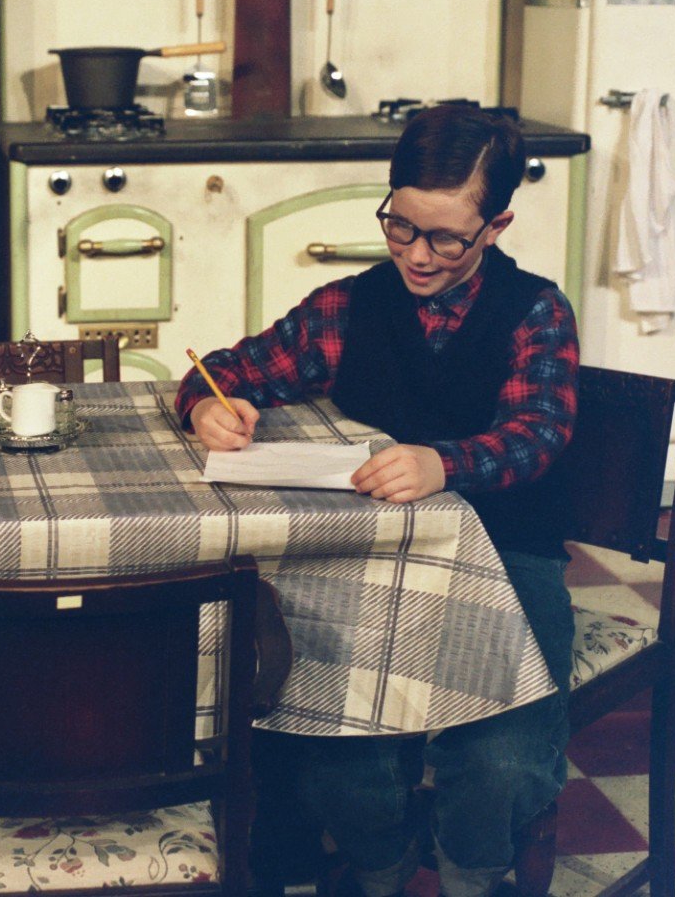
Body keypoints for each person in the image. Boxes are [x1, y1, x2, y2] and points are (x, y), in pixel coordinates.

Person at [177, 105, 578, 897]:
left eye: (445, 239)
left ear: (495, 226)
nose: (416, 255)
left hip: (506, 553)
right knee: (333, 753)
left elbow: (541, 432)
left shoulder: (535, 310)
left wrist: (443, 463)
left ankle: (471, 876)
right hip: (366, 561)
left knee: (499, 763)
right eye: (400, 226)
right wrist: (207, 407)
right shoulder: (347, 306)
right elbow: (223, 370)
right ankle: (380, 867)